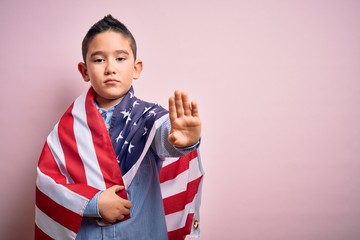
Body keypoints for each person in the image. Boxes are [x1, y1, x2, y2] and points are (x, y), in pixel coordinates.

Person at [35, 14, 204, 240]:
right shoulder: (69, 128)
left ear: (136, 68)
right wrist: (93, 203)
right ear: (84, 71)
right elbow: (49, 182)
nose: (110, 68)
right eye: (98, 60)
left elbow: (165, 137)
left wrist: (184, 141)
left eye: (120, 58)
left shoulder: (149, 118)